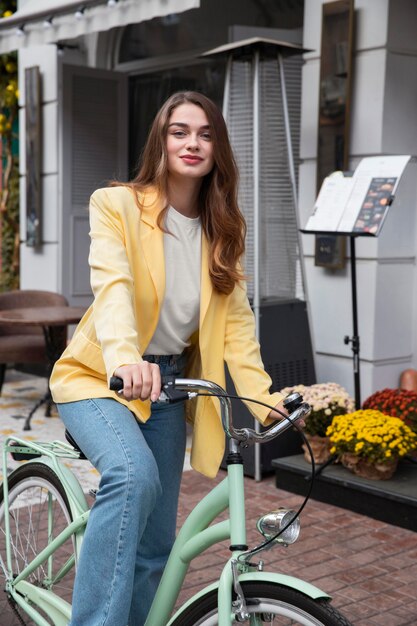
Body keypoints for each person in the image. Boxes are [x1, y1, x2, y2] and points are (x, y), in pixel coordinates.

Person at [50, 90, 287, 626]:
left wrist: (265, 399)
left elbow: (237, 327)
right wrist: (126, 358)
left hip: (171, 384)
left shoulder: (224, 228)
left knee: (156, 543)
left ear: (217, 149)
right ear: (161, 141)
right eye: (180, 131)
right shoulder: (117, 206)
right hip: (99, 377)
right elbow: (112, 288)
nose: (192, 142)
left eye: (205, 133)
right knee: (133, 478)